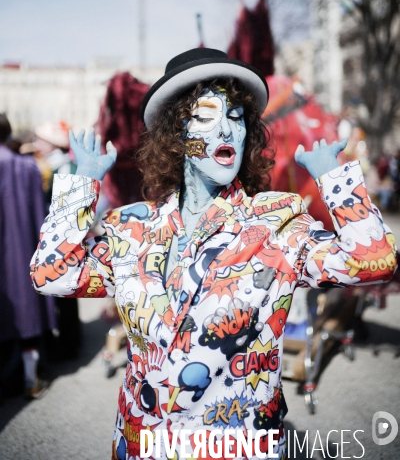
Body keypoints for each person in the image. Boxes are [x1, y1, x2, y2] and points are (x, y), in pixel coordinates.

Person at [30, 49, 397, 459]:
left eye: (237, 118)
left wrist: (336, 177)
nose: (226, 130)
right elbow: (52, 275)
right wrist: (80, 188)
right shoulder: (130, 228)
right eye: (206, 116)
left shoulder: (276, 222)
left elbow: (373, 260)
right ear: (176, 134)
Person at [0, 113, 56, 398]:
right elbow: (40, 214)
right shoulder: (27, 167)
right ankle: (30, 380)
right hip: (23, 252)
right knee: (27, 318)